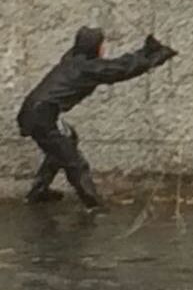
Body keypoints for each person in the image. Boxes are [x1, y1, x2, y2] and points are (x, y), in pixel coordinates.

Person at [16, 27, 177, 210]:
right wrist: (156, 57)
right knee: (74, 161)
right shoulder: (87, 68)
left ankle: (39, 191)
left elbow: (116, 64)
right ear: (95, 47)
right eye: (101, 45)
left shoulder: (74, 60)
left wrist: (146, 52)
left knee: (67, 141)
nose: (104, 48)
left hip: (34, 112)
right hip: (43, 116)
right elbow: (121, 70)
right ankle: (93, 205)